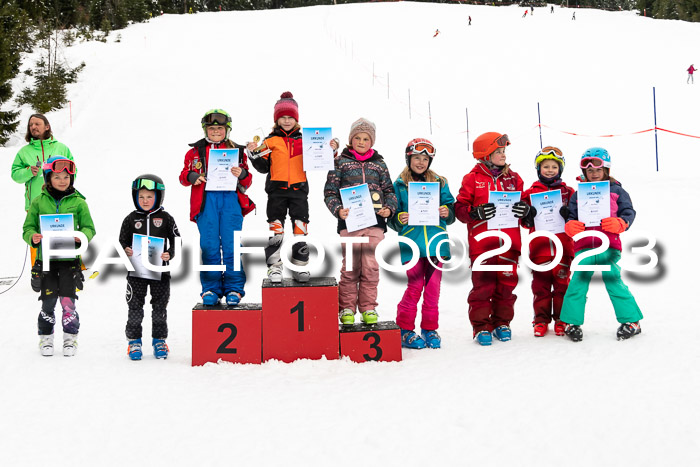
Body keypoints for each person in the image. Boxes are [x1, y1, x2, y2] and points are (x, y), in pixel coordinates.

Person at [247, 92, 334, 283]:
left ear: (296, 119)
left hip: (299, 191)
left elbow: (319, 159)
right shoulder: (270, 141)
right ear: (276, 120)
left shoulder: (306, 140)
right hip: (276, 192)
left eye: (291, 117)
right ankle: (274, 267)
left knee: (300, 230)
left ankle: (299, 265)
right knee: (276, 230)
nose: (286, 121)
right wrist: (253, 154)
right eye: (282, 117)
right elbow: (262, 168)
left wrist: (330, 149)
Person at [559, 148, 643, 342]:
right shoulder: (579, 194)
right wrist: (571, 226)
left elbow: (629, 212)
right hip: (584, 246)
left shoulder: (617, 191)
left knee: (613, 281)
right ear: (584, 172)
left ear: (606, 169)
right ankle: (572, 322)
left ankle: (632, 321)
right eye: (589, 170)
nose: (593, 173)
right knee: (578, 283)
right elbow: (571, 217)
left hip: (608, 245)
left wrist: (622, 223)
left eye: (597, 169)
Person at [454, 132, 527, 346]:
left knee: (506, 286)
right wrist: (475, 212)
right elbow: (459, 209)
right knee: (483, 287)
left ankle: (502, 323)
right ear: (486, 154)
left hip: (509, 244)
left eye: (504, 151)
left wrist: (526, 210)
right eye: (498, 151)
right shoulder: (472, 179)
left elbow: (524, 207)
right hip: (483, 245)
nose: (503, 155)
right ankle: (481, 326)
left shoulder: (514, 178)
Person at [324, 118, 398, 325]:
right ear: (351, 139)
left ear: (371, 141)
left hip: (375, 224)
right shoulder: (340, 162)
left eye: (366, 138)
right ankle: (347, 308)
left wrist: (388, 209)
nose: (362, 141)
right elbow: (329, 192)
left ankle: (368, 308)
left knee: (370, 266)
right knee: (350, 266)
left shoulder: (379, 164)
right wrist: (338, 211)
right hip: (350, 225)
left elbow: (389, 191)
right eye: (357, 137)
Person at [179, 109, 255, 306]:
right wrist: (193, 177)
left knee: (232, 246)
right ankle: (210, 288)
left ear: (227, 130)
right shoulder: (194, 152)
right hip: (206, 203)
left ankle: (234, 288)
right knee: (209, 246)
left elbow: (248, 181)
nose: (215, 132)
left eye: (219, 128)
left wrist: (241, 173)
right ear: (205, 129)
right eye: (211, 128)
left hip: (230, 201)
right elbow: (183, 176)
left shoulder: (237, 151)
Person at [22, 156, 95, 357]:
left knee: (68, 301)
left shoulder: (79, 202)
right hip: (46, 261)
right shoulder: (38, 202)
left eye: (66, 177)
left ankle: (70, 338)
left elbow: (89, 228)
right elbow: (27, 228)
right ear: (48, 178)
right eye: (57, 177)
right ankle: (45, 338)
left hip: (70, 261)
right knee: (48, 300)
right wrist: (32, 237)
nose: (63, 180)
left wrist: (81, 237)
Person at [388, 138, 455, 349]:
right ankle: (405, 329)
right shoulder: (399, 184)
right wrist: (399, 218)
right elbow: (392, 216)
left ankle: (429, 328)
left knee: (433, 288)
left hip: (437, 243)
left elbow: (451, 210)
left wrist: (447, 212)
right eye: (416, 157)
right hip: (412, 244)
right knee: (415, 286)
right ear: (409, 158)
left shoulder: (440, 182)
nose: (421, 162)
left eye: (425, 158)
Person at [119, 174, 180, 360]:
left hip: (160, 272)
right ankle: (134, 342)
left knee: (160, 307)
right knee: (135, 307)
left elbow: (176, 240)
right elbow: (122, 242)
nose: (145, 201)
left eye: (150, 196)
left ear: (159, 197)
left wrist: (170, 253)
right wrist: (126, 250)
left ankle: (159, 340)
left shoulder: (166, 218)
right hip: (136, 273)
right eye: (141, 197)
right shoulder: (130, 219)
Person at [521, 147, 575, 337]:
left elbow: (578, 218)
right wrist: (528, 217)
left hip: (563, 247)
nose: (550, 170)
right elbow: (522, 220)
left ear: (560, 169)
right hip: (540, 249)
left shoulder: (568, 192)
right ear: (538, 169)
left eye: (554, 167)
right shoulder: (529, 193)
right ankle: (541, 320)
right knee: (541, 287)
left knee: (562, 286)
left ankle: (561, 319)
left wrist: (569, 215)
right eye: (545, 167)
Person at [11, 114, 74, 266]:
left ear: (47, 126)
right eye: (31, 124)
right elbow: (15, 174)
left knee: (65, 233)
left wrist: (67, 189)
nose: (33, 127)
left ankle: (74, 267)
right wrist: (28, 172)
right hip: (36, 202)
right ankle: (37, 269)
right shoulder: (24, 152)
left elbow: (73, 170)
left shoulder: (61, 148)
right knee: (36, 236)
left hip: (60, 200)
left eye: (37, 123)